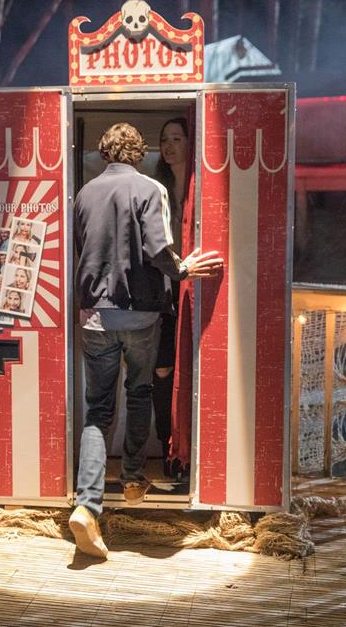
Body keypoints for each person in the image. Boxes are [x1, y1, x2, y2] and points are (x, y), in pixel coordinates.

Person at [68, 122, 223, 559]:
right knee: (138, 392)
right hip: (139, 314)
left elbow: (83, 249)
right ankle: (133, 479)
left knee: (98, 411)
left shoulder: (84, 194)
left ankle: (86, 505)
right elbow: (158, 250)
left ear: (104, 152)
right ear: (139, 152)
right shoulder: (150, 189)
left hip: (94, 316)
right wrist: (184, 269)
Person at [152, 117, 190, 477]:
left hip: (194, 287)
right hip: (163, 289)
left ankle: (190, 452)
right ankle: (168, 447)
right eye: (165, 139)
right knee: (162, 369)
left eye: (177, 139)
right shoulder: (156, 189)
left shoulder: (199, 188)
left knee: (193, 368)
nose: (169, 145)